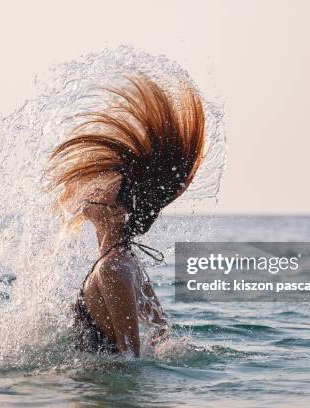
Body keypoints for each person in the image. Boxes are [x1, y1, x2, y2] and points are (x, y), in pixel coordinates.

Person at [47, 75, 206, 357]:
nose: (99, 187)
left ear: (121, 213)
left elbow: (129, 359)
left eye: (111, 188)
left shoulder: (113, 268)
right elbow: (161, 332)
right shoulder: (125, 260)